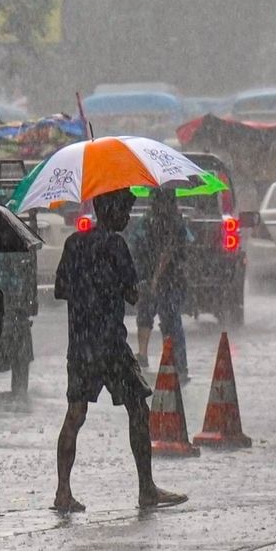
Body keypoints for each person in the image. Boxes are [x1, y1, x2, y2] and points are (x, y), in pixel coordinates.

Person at [53, 189, 188, 513]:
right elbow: (131, 295)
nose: (128, 217)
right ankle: (146, 489)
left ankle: (62, 491)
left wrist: (86, 288)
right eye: (125, 210)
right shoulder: (115, 245)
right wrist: (119, 284)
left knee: (75, 414)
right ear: (111, 211)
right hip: (111, 345)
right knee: (139, 411)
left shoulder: (74, 244)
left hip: (81, 344)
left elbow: (60, 290)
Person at [128, 189, 193, 379]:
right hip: (166, 279)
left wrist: (153, 276)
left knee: (164, 318)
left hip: (165, 279)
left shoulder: (157, 224)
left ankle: (175, 363)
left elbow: (168, 251)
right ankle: (176, 363)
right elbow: (186, 247)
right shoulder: (174, 224)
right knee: (166, 319)